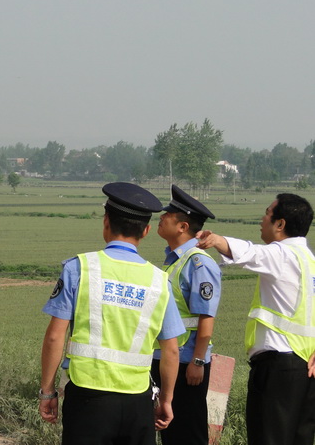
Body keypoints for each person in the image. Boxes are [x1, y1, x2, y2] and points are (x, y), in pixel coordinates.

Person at [39, 182, 185, 445]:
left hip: (88, 398)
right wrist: (166, 400)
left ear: (106, 222)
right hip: (138, 400)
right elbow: (171, 351)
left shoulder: (79, 268)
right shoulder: (159, 281)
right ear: (146, 231)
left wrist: (47, 392)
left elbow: (54, 337)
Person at [197, 193, 315, 445]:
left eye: (267, 213)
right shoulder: (309, 260)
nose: (262, 219)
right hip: (305, 369)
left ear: (280, 224)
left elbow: (251, 253)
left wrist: (216, 240)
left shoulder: (282, 254)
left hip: (278, 367)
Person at [150, 184, 221, 445]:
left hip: (186, 361)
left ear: (182, 226)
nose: (160, 218)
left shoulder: (198, 263)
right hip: (168, 358)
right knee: (171, 433)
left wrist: (198, 361)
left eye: (167, 216)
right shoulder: (175, 260)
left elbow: (206, 317)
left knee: (188, 432)